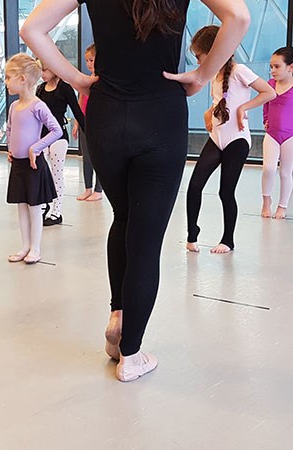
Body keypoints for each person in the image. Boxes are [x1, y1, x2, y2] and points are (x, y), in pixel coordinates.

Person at [21, 0, 250, 381]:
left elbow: (31, 29)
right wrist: (202, 74)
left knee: (124, 217)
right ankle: (132, 354)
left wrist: (77, 78)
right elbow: (238, 16)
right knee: (146, 239)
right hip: (161, 114)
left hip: (107, 115)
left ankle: (118, 313)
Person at [186, 25, 275, 253]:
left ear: (213, 51)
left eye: (198, 55)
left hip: (237, 139)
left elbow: (269, 92)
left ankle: (228, 240)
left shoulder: (239, 70)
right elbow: (220, 102)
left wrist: (244, 107)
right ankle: (192, 235)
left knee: (225, 191)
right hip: (216, 137)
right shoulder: (213, 75)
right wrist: (208, 113)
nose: (197, 61)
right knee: (194, 186)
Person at [5, 54, 62, 263]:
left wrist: (36, 148)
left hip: (33, 164)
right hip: (18, 164)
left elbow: (56, 130)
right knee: (21, 205)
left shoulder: (38, 105)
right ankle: (25, 246)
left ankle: (35, 248)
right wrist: (10, 149)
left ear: (22, 79)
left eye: (8, 77)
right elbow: (10, 129)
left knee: (34, 207)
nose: (6, 82)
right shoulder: (14, 106)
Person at [36, 60, 85, 226]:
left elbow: (77, 111)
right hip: (42, 137)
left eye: (45, 70)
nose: (42, 74)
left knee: (56, 173)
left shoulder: (65, 88)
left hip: (59, 136)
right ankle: (44, 205)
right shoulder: (40, 89)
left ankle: (57, 211)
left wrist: (88, 132)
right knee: (41, 172)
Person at [261, 47, 293, 219]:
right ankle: (266, 201)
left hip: (290, 136)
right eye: (271, 67)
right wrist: (265, 119)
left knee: (285, 172)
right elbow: (265, 104)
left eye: (277, 66)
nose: (272, 70)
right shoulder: (270, 85)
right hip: (272, 133)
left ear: (290, 67)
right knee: (268, 168)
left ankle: (282, 206)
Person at [73, 43, 103, 202]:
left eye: (91, 60)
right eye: (87, 61)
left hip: (98, 123)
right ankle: (87, 188)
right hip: (85, 122)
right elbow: (81, 101)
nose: (89, 64)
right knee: (87, 157)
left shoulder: (102, 81)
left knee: (99, 157)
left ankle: (98, 190)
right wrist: (76, 123)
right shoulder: (86, 80)